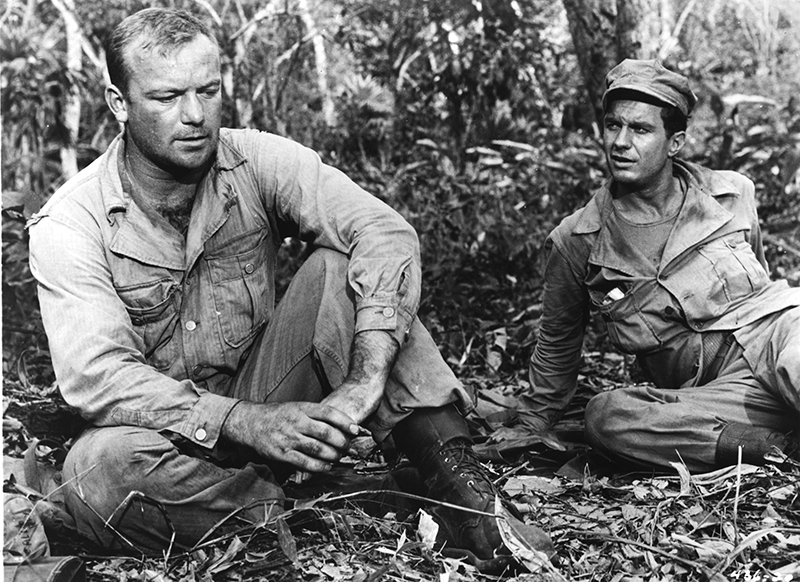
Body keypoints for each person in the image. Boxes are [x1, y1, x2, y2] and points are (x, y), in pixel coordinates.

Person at [27, 7, 553, 565]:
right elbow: (99, 376)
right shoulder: (72, 222)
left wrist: (365, 379)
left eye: (208, 91)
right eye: (166, 97)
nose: (195, 115)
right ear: (119, 103)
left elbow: (383, 230)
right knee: (97, 474)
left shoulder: (256, 160)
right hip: (166, 437)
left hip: (271, 392)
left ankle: (460, 488)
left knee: (340, 267)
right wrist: (243, 422)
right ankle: (331, 500)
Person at [522, 59, 800, 473]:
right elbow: (557, 346)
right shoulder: (577, 240)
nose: (620, 142)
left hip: (778, 335)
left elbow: (764, 291)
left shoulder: (731, 194)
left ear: (675, 142)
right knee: (605, 417)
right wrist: (531, 423)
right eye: (613, 125)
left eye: (640, 129)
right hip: (717, 393)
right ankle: (777, 448)